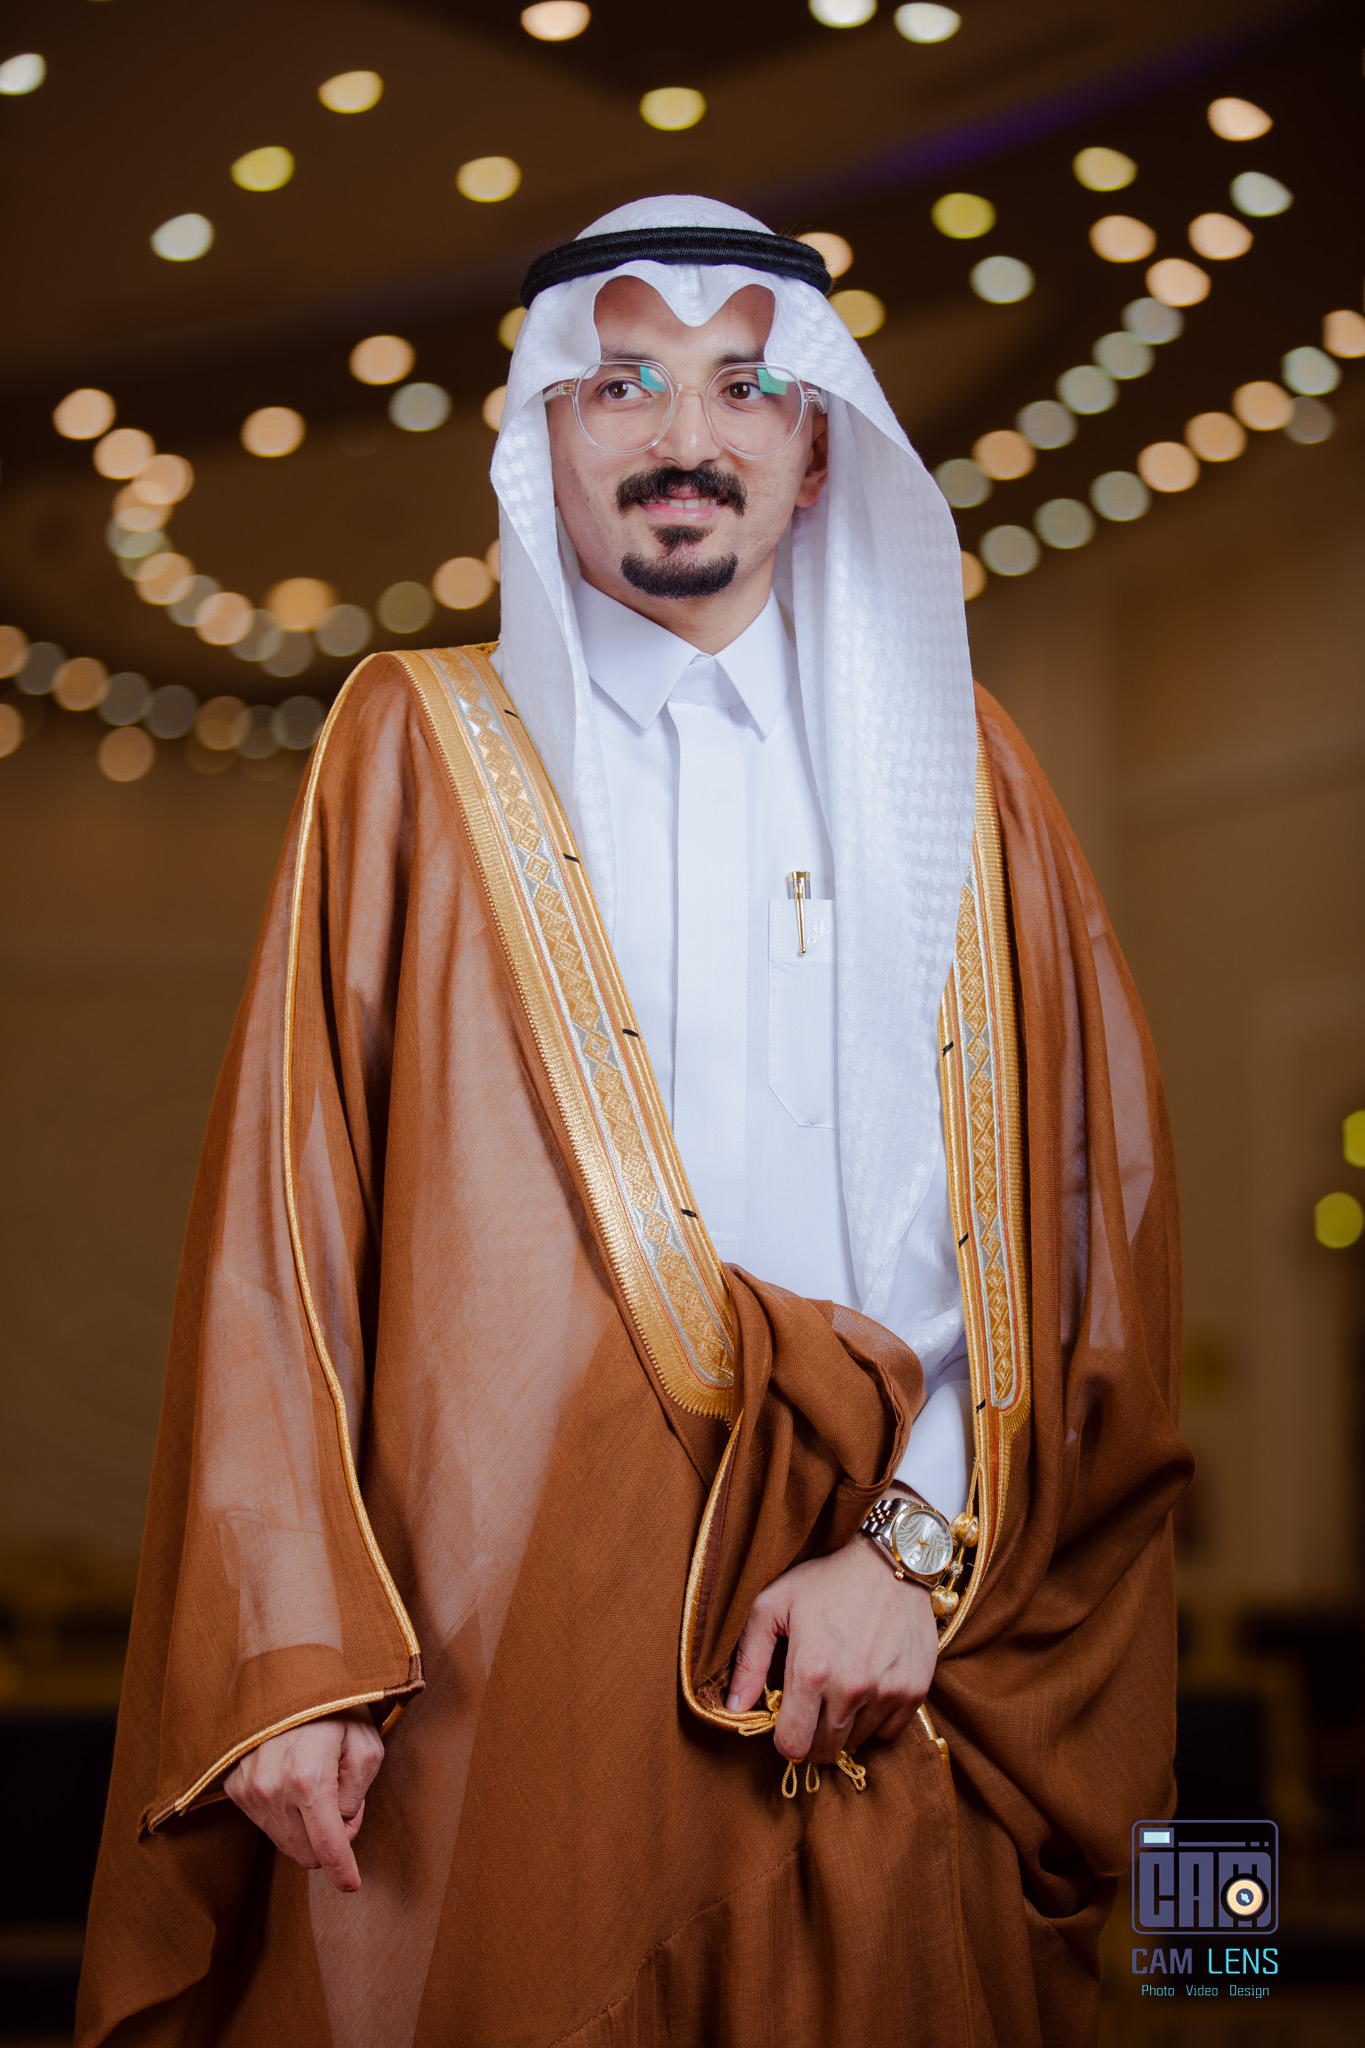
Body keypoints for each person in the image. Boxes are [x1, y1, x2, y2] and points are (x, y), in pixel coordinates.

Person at [78, 196, 1191, 2048]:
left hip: (889, 1641)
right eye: (622, 386)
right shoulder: (417, 748)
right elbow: (287, 1229)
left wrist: (912, 1552)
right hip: (500, 1649)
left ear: (816, 447)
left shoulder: (966, 770)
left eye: (746, 385)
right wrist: (294, 1653)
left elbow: (1079, 1237)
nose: (687, 435)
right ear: (545, 435)